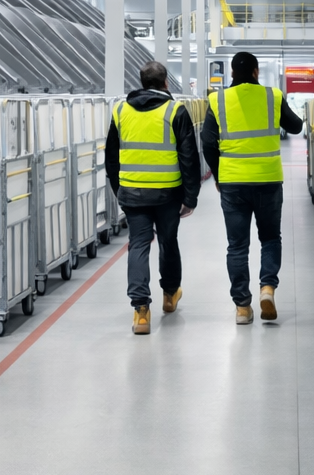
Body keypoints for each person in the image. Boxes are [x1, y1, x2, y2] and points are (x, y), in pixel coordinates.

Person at [202, 52, 305, 325]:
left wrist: (219, 176)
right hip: (269, 180)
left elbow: (207, 142)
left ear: (232, 73)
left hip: (233, 182)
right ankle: (267, 288)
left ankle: (242, 308)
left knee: (237, 246)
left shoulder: (217, 100)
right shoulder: (272, 96)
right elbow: (296, 127)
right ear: (257, 72)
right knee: (270, 238)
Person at [106, 61, 202, 335]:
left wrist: (119, 189)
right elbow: (189, 157)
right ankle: (170, 295)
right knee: (168, 242)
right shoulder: (175, 111)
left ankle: (141, 312)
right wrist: (190, 197)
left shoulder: (121, 110)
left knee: (138, 245)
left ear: (142, 81)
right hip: (168, 194)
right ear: (166, 83)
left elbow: (111, 157)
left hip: (133, 193)